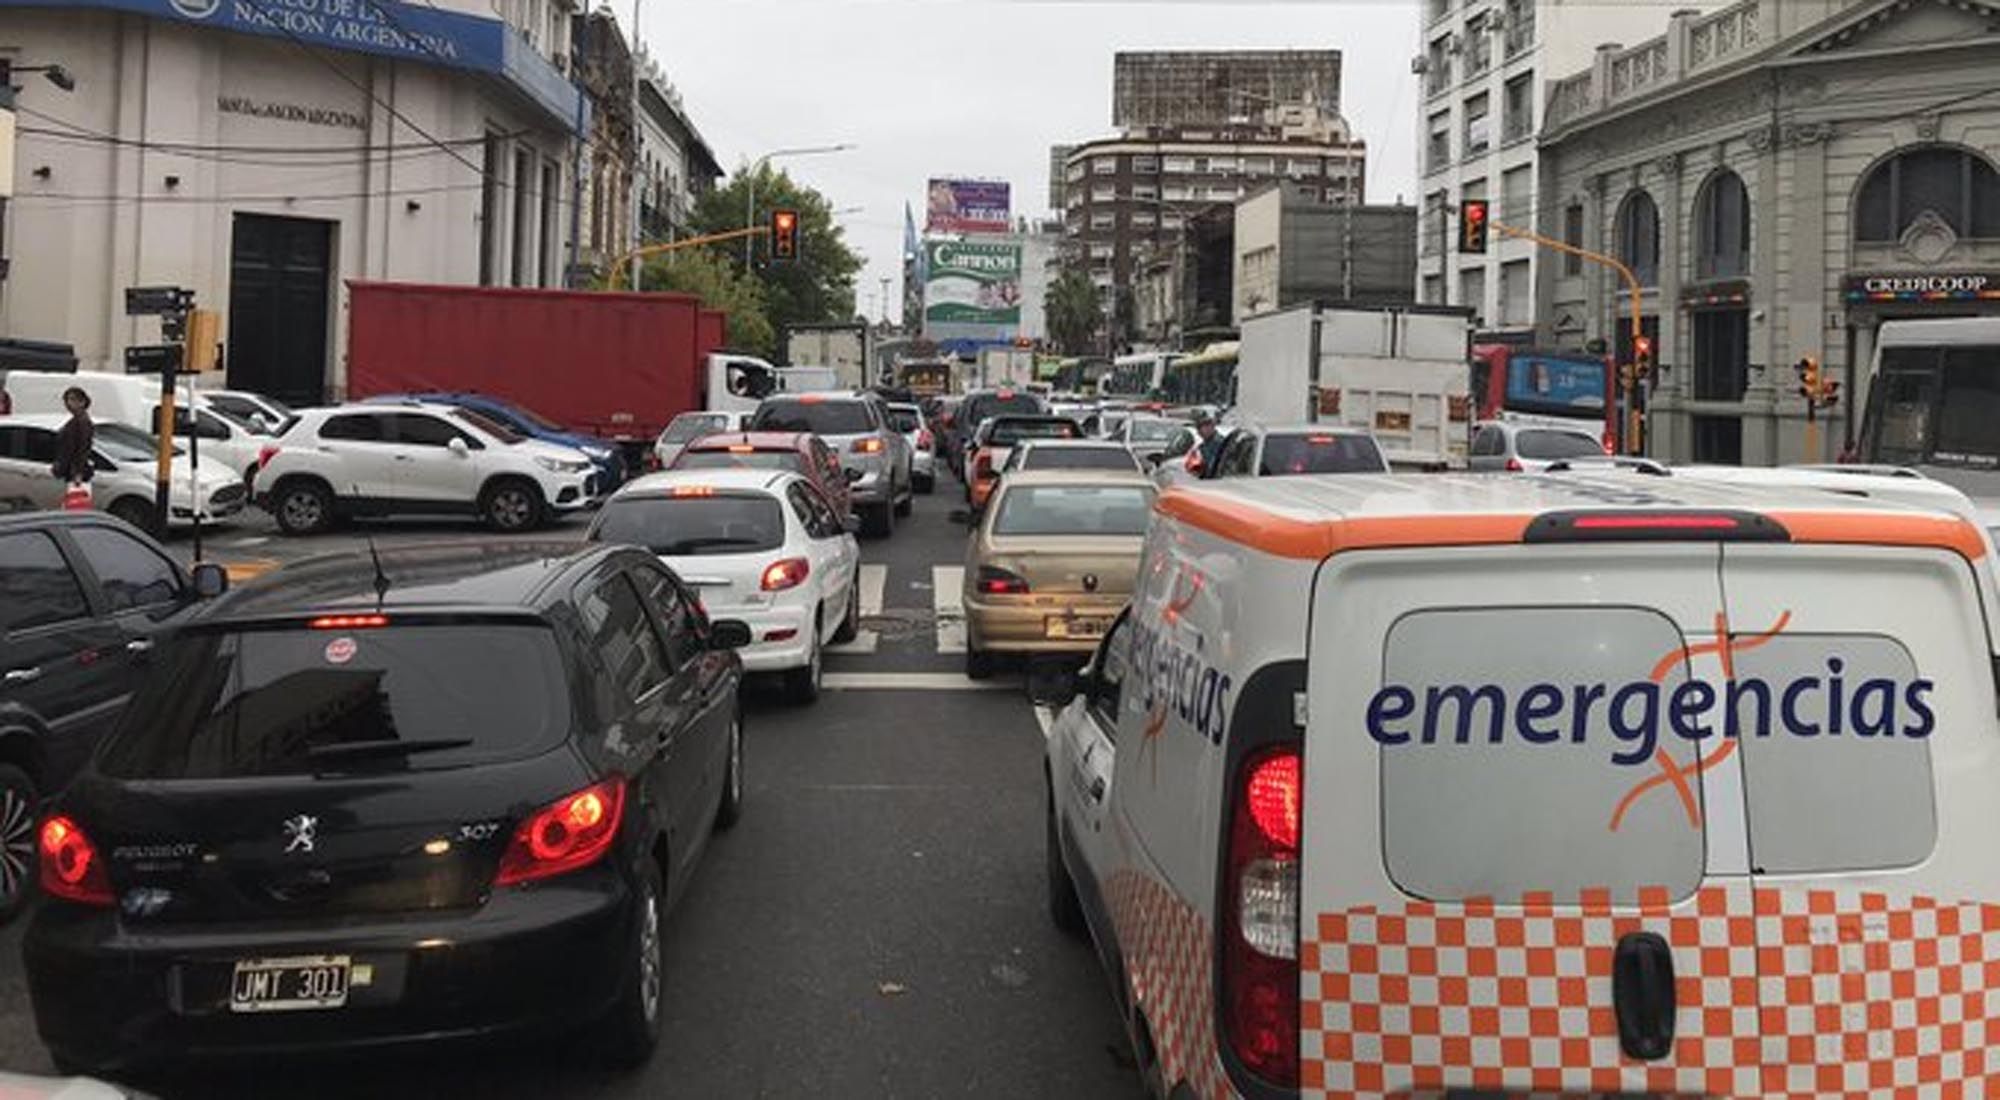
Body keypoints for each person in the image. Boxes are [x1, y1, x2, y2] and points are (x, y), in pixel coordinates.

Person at [51, 387, 95, 497]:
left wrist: (78, 472)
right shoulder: (75, 420)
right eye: (67, 400)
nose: (69, 403)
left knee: (75, 503)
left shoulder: (83, 422)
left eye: (73, 399)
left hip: (75, 472)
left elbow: (83, 447)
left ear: (82, 402)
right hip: (69, 470)